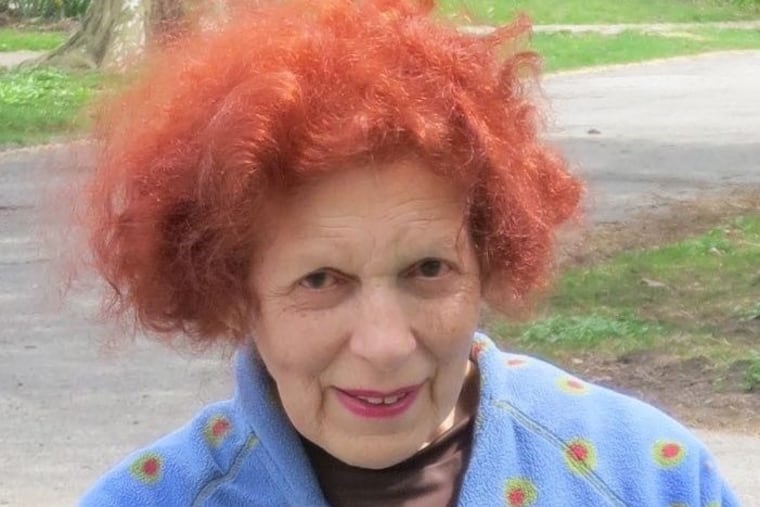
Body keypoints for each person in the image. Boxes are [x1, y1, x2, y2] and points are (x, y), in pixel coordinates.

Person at [79, 1, 739, 505]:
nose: (386, 345)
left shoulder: (647, 477)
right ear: (234, 292)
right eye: (320, 280)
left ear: (488, 258)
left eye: (428, 269)